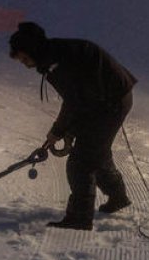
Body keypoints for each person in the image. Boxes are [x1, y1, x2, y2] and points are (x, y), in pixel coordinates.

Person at [8, 22, 137, 230]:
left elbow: (75, 102)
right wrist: (66, 131)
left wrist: (58, 131)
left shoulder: (59, 60)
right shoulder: (53, 56)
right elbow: (80, 99)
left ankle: (79, 218)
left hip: (111, 101)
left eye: (23, 58)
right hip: (104, 98)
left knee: (81, 162)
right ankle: (118, 198)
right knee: (97, 153)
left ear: (33, 49)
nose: (23, 63)